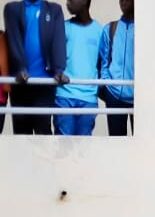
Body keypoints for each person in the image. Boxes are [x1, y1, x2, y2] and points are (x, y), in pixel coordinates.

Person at [3, 0, 66, 135]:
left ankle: (45, 157)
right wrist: (20, 68)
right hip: (20, 82)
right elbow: (14, 41)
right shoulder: (12, 9)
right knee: (21, 133)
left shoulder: (54, 10)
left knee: (43, 130)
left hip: (45, 83)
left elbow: (58, 41)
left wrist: (59, 69)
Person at [52, 0, 100, 136]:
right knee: (64, 148)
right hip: (64, 95)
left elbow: (101, 64)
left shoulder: (99, 31)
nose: (68, 3)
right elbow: (52, 55)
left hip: (88, 98)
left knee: (82, 150)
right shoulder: (62, 27)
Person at [93, 0, 130, 134]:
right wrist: (107, 85)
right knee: (116, 146)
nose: (123, 2)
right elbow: (102, 61)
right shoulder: (110, 29)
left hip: (140, 97)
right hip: (114, 96)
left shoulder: (145, 31)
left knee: (143, 148)